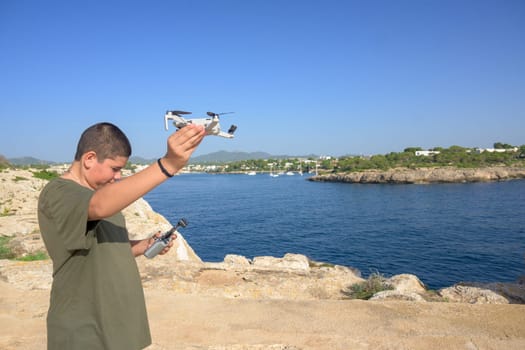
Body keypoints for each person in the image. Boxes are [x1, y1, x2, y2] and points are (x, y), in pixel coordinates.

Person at [38, 122, 206, 349]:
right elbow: (99, 206)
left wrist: (144, 245)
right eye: (115, 168)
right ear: (89, 159)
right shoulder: (59, 192)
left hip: (118, 328)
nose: (117, 177)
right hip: (85, 330)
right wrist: (169, 164)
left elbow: (104, 247)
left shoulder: (96, 195)